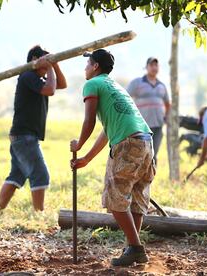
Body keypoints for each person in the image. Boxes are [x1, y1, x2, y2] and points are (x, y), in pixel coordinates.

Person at [70, 49, 155, 266]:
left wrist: (78, 145)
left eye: (87, 64)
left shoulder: (92, 84)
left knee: (115, 198)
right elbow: (108, 129)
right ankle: (131, 248)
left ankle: (135, 248)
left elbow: (89, 121)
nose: (85, 68)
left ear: (95, 66)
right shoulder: (116, 87)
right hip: (145, 142)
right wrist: (87, 157)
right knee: (135, 199)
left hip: (127, 144)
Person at [0, 45, 67, 212]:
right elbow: (50, 90)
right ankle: (38, 214)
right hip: (24, 135)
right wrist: (48, 66)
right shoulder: (28, 75)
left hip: (23, 135)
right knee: (40, 174)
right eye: (45, 60)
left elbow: (61, 84)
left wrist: (53, 64)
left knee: (16, 175)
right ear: (35, 59)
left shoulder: (38, 78)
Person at [127, 57, 171, 163]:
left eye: (156, 65)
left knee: (153, 154)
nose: (154, 67)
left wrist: (166, 117)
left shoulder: (162, 85)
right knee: (141, 154)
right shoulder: (137, 83)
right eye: (151, 65)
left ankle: (151, 178)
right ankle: (139, 178)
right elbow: (125, 98)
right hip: (142, 126)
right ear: (146, 67)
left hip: (158, 125)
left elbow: (167, 103)